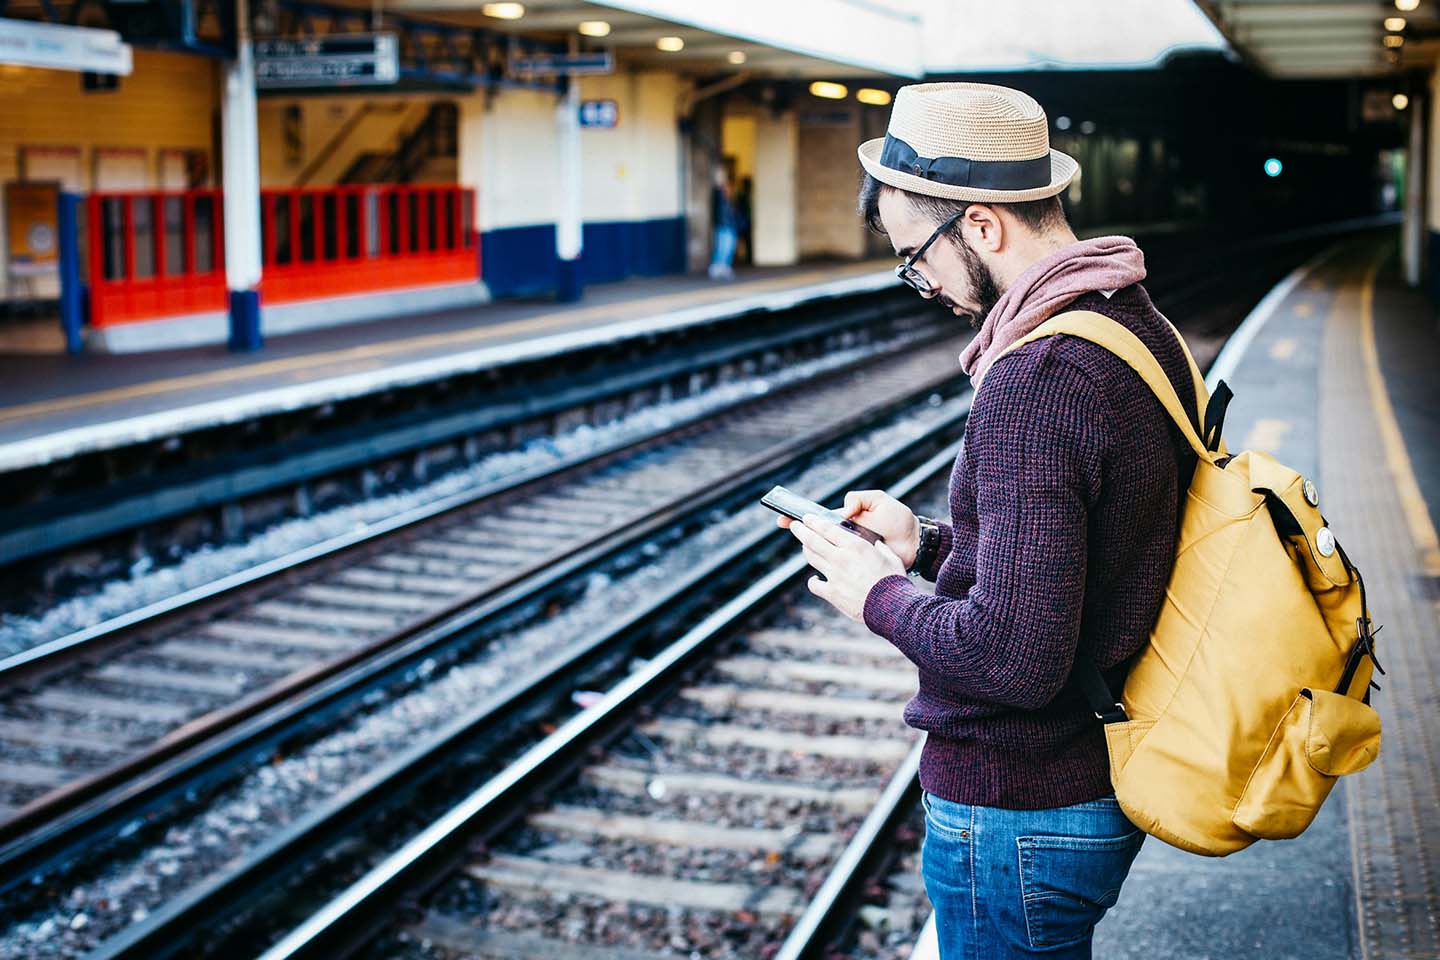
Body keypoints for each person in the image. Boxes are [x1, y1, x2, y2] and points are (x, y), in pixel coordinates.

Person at [779, 82, 1199, 958]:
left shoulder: (1035, 379)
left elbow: (1012, 657)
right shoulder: (1132, 322)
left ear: (980, 224)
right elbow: (1095, 548)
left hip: (1020, 804)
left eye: (915, 255)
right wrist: (926, 543)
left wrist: (877, 593)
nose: (918, 281)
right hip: (1084, 778)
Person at [709, 167, 737, 280]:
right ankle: (717, 267)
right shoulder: (718, 194)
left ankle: (724, 267)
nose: (728, 189)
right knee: (722, 247)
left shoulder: (727, 200)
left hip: (729, 225)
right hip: (723, 225)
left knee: (728, 247)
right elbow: (718, 187)